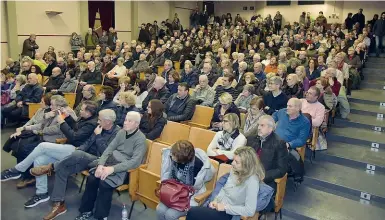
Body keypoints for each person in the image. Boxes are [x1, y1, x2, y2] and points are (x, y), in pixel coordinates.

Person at [1, 101, 98, 209]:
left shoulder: (91, 123)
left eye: (82, 109)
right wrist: (67, 116)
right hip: (68, 147)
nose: (79, 110)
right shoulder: (84, 118)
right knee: (39, 160)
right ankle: (42, 193)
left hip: (77, 151)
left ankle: (17, 170)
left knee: (42, 146)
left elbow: (74, 137)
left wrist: (61, 122)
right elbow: (74, 127)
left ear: (89, 113)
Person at [31, 109, 119, 218]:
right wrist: (79, 149)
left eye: (100, 120)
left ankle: (51, 167)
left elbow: (106, 153)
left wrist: (98, 136)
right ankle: (59, 204)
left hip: (99, 161)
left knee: (78, 155)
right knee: (62, 169)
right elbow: (87, 143)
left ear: (108, 121)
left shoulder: (117, 133)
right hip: (84, 158)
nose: (97, 122)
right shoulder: (100, 127)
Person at [74, 112, 147, 220]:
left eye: (129, 121)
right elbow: (109, 149)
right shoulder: (122, 132)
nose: (125, 122)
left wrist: (112, 169)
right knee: (92, 178)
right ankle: (86, 210)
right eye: (125, 119)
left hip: (125, 170)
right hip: (110, 162)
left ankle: (101, 216)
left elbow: (135, 162)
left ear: (137, 124)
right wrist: (100, 165)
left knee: (104, 184)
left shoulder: (141, 139)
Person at [186, 147, 264, 220]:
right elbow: (224, 190)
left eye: (236, 162)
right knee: (193, 212)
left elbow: (250, 211)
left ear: (247, 165)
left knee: (192, 213)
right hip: (217, 207)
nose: (232, 163)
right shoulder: (235, 170)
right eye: (233, 160)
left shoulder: (252, 181)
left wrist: (225, 207)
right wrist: (215, 201)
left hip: (230, 213)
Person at [157, 140, 215, 220]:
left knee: (170, 215)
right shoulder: (173, 157)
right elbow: (166, 174)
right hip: (173, 191)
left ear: (182, 160)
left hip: (189, 197)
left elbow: (205, 179)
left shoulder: (199, 166)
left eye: (174, 156)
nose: (171, 156)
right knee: (160, 210)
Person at [246, 115, 288, 188]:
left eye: (262, 125)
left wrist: (263, 176)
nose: (258, 128)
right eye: (258, 125)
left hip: (264, 179)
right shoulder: (251, 139)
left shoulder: (279, 143)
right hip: (248, 174)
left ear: (270, 128)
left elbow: (281, 169)